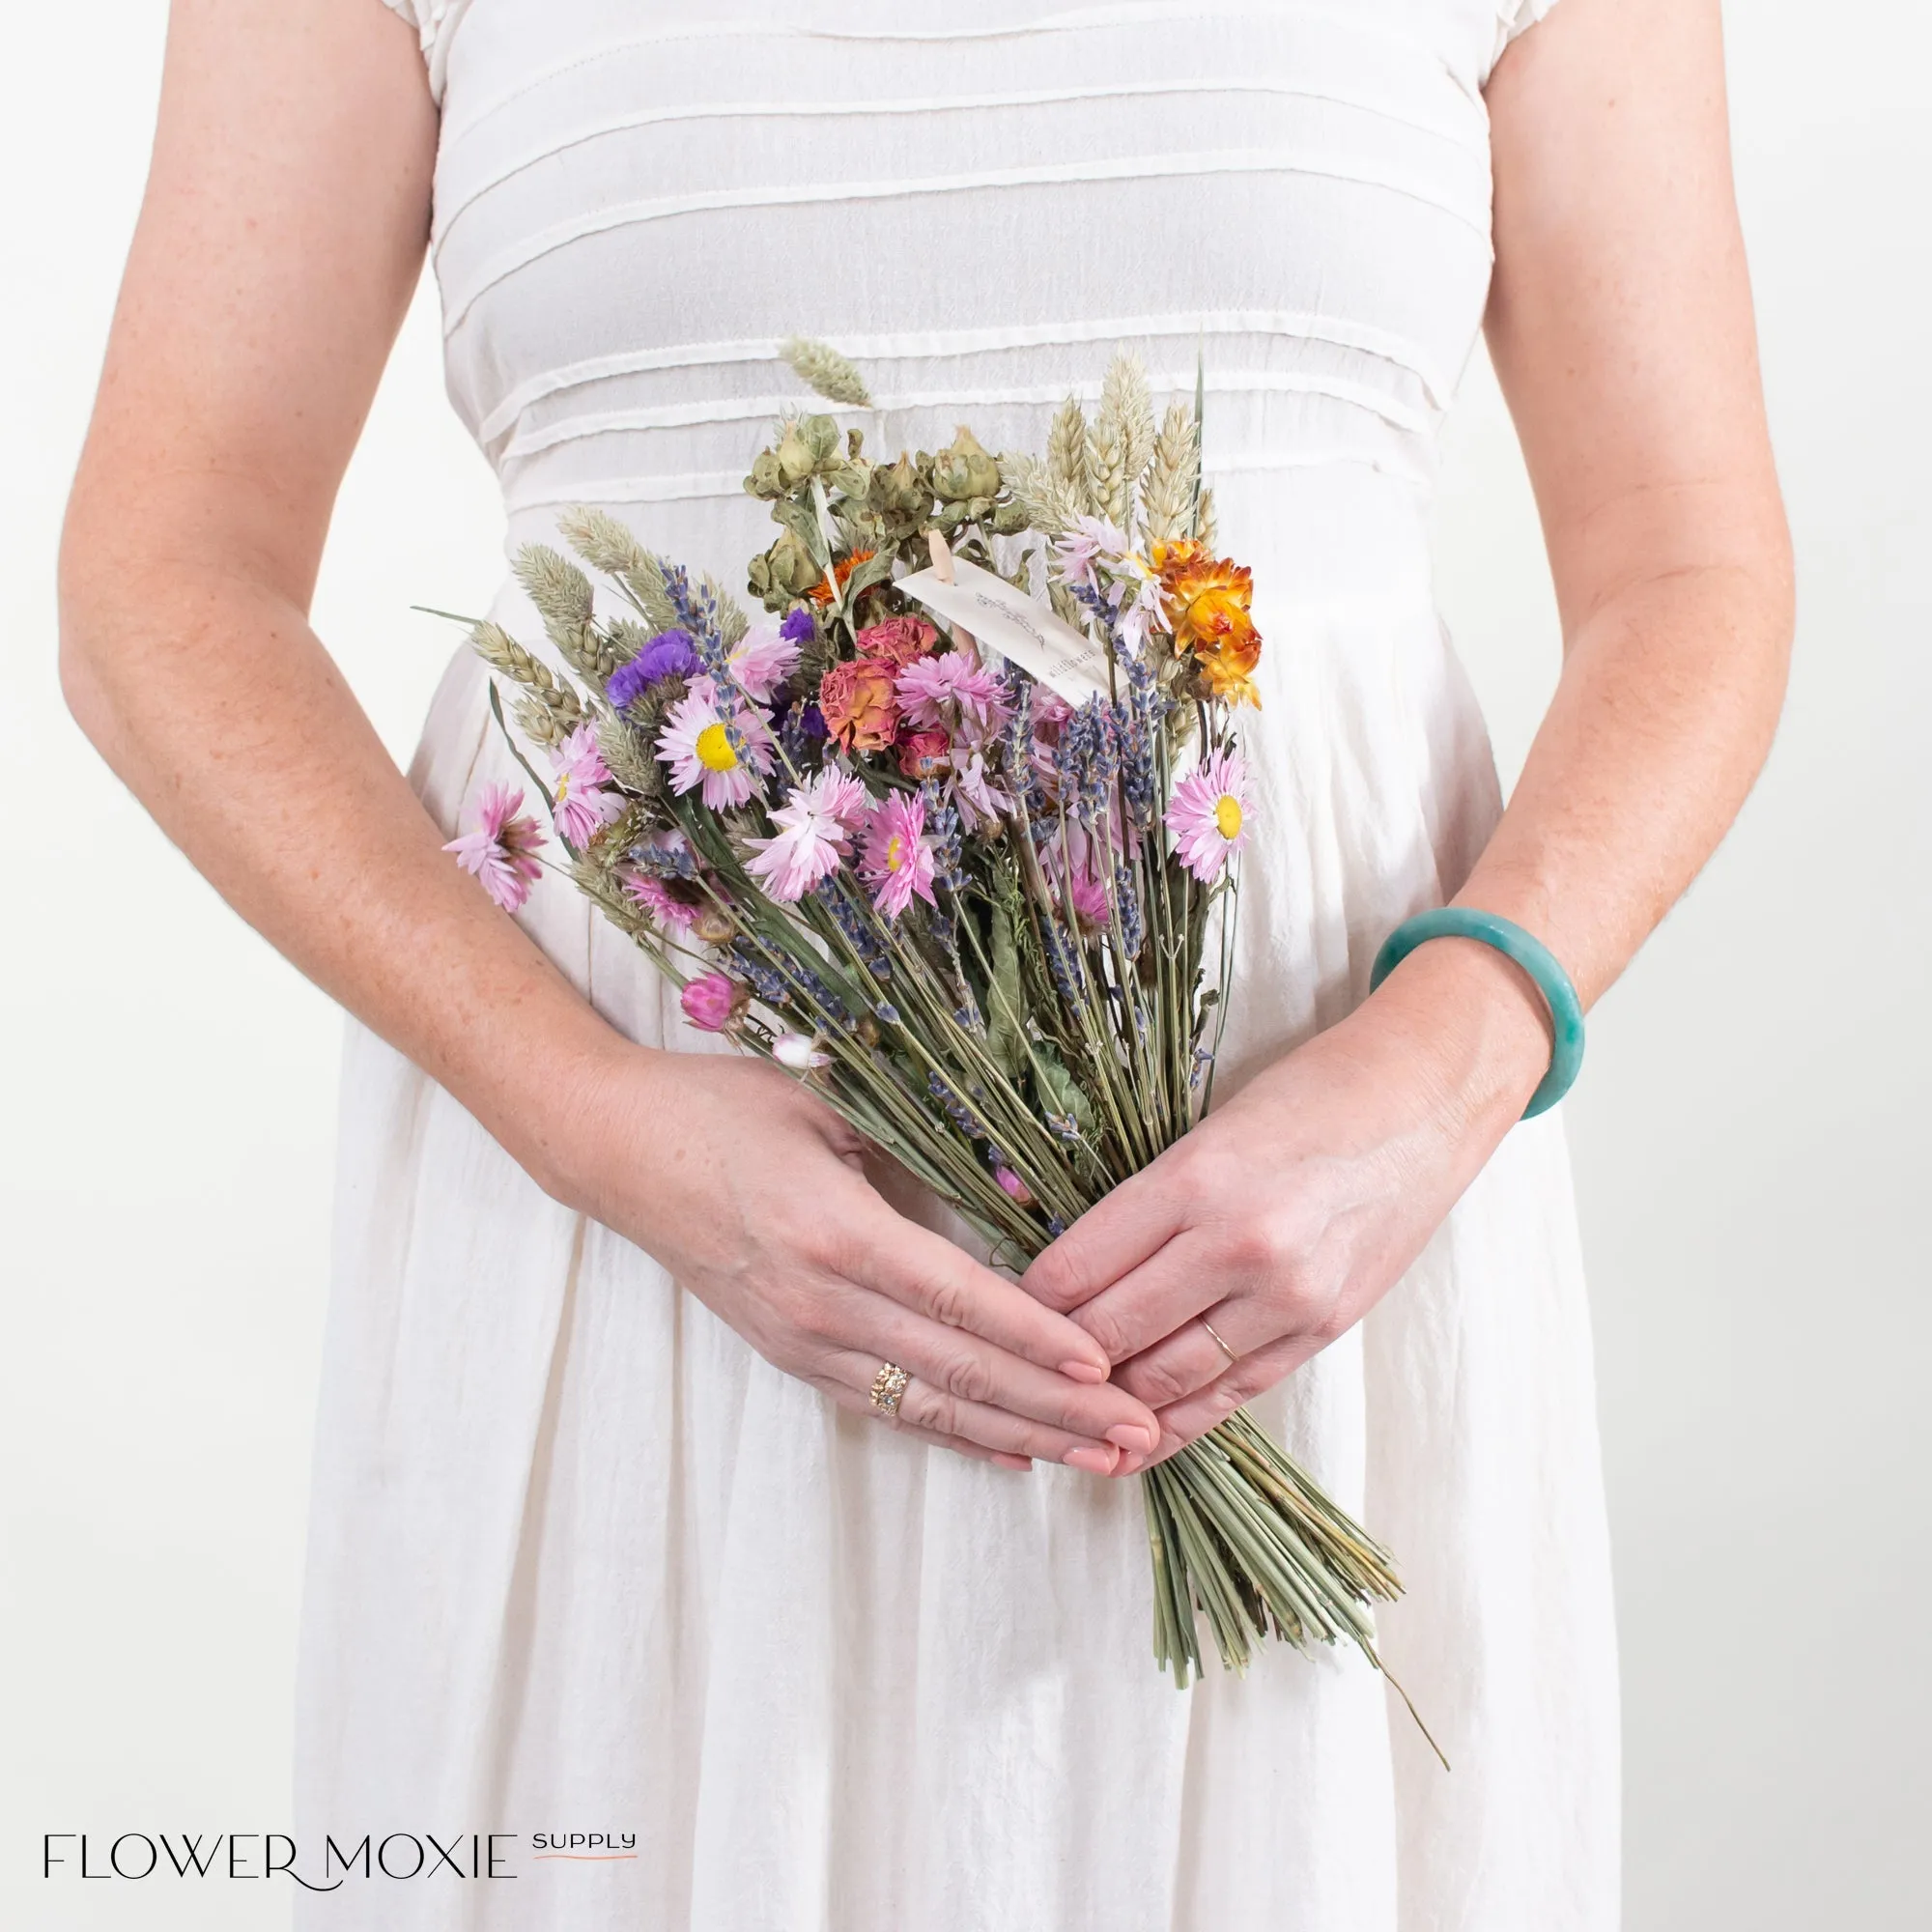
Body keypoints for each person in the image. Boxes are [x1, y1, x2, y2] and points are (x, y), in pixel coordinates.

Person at [59, 0, 1791, 1924]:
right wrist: (589, 1116)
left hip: (1306, 1258)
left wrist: (1455, 1047)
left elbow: (1685, 572)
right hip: (633, 1258)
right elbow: (165, 571)